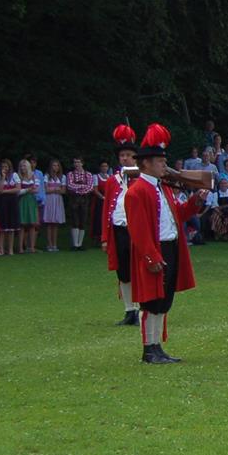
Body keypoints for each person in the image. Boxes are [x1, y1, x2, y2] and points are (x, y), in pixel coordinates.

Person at [124, 125, 204, 364]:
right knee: (151, 301)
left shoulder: (164, 188)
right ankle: (149, 348)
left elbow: (177, 215)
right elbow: (139, 231)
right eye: (159, 160)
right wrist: (151, 257)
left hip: (170, 246)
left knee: (164, 299)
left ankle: (157, 346)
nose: (164, 164)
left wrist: (194, 202)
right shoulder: (137, 192)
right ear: (145, 163)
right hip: (154, 250)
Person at [99, 125, 140, 324]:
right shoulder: (112, 181)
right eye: (122, 155)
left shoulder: (142, 180)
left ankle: (141, 308)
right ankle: (129, 310)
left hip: (137, 230)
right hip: (118, 229)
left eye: (129, 155)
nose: (125, 158)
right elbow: (107, 208)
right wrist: (105, 238)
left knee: (139, 268)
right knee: (122, 271)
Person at [65, 157, 97, 250]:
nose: (76, 164)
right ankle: (75, 244)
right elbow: (70, 186)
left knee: (83, 220)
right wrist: (82, 187)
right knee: (75, 220)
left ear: (82, 163)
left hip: (84, 199)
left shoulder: (88, 174)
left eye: (78, 162)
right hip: (74, 199)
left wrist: (79, 189)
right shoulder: (70, 174)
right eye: (75, 162)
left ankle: (80, 243)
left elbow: (90, 187)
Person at [40, 158, 66, 252]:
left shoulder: (62, 177)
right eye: (54, 165)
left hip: (58, 200)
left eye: (57, 165)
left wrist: (54, 189)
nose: (56, 167)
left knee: (55, 223)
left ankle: (54, 244)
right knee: (49, 223)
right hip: (49, 200)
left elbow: (63, 191)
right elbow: (45, 190)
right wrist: (56, 189)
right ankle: (49, 244)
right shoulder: (47, 176)